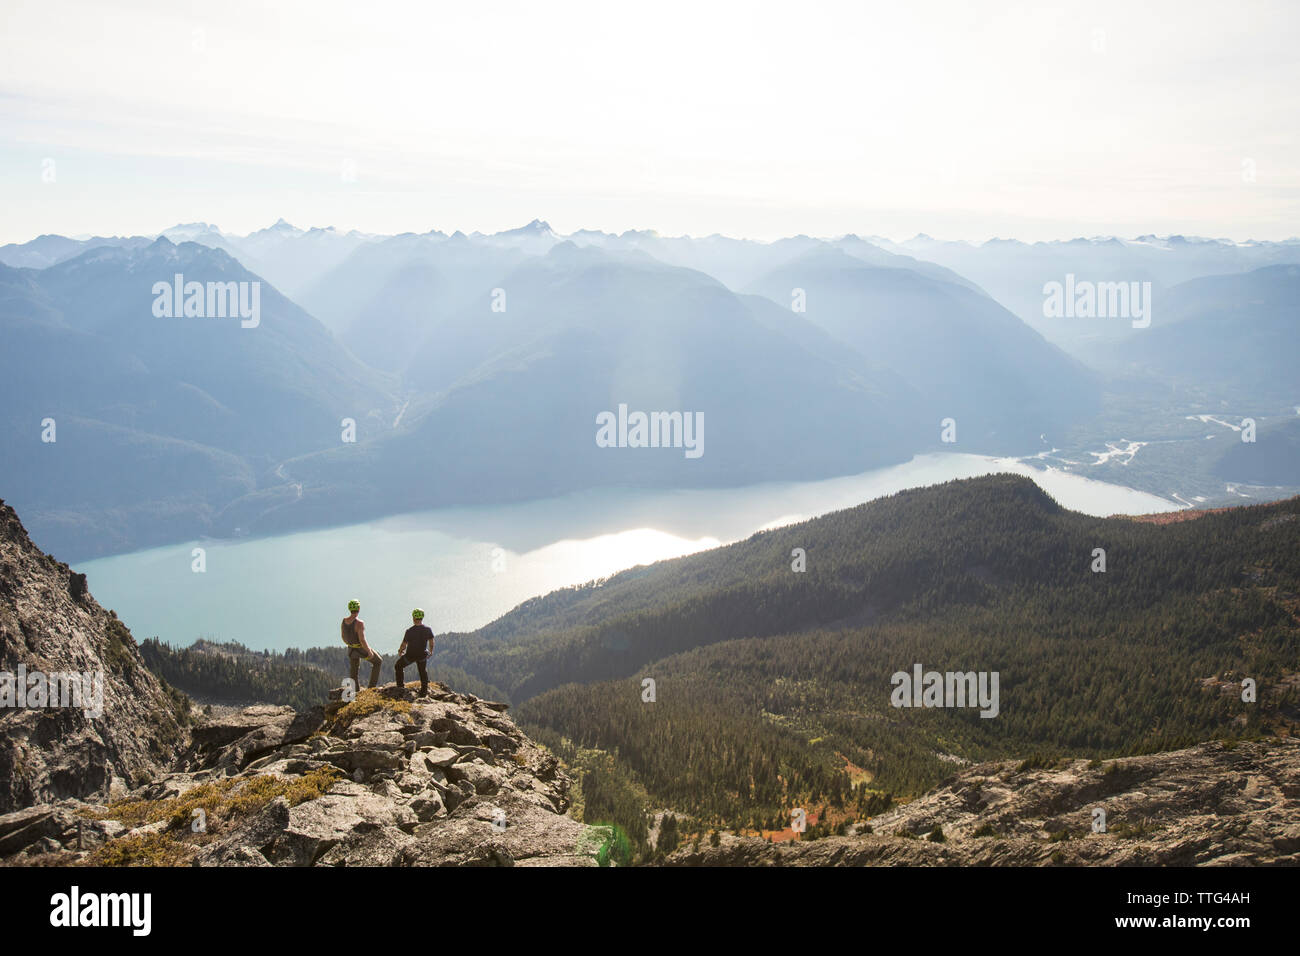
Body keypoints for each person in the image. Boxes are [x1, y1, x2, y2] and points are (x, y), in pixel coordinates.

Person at [341, 599, 382, 689]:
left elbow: (343, 637)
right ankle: (371, 687)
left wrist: (351, 644)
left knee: (354, 672)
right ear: (359, 609)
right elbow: (362, 640)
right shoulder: (359, 623)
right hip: (361, 649)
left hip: (351, 650)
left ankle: (356, 691)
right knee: (378, 661)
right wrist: (369, 651)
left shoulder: (344, 621)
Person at [394, 608, 435, 697]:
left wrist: (400, 651)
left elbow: (404, 644)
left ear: (413, 618)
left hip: (410, 656)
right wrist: (431, 651)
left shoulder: (409, 631)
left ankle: (400, 686)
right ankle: (424, 691)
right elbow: (431, 642)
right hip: (422, 655)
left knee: (398, 666)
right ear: (422, 618)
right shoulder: (428, 629)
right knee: (422, 671)